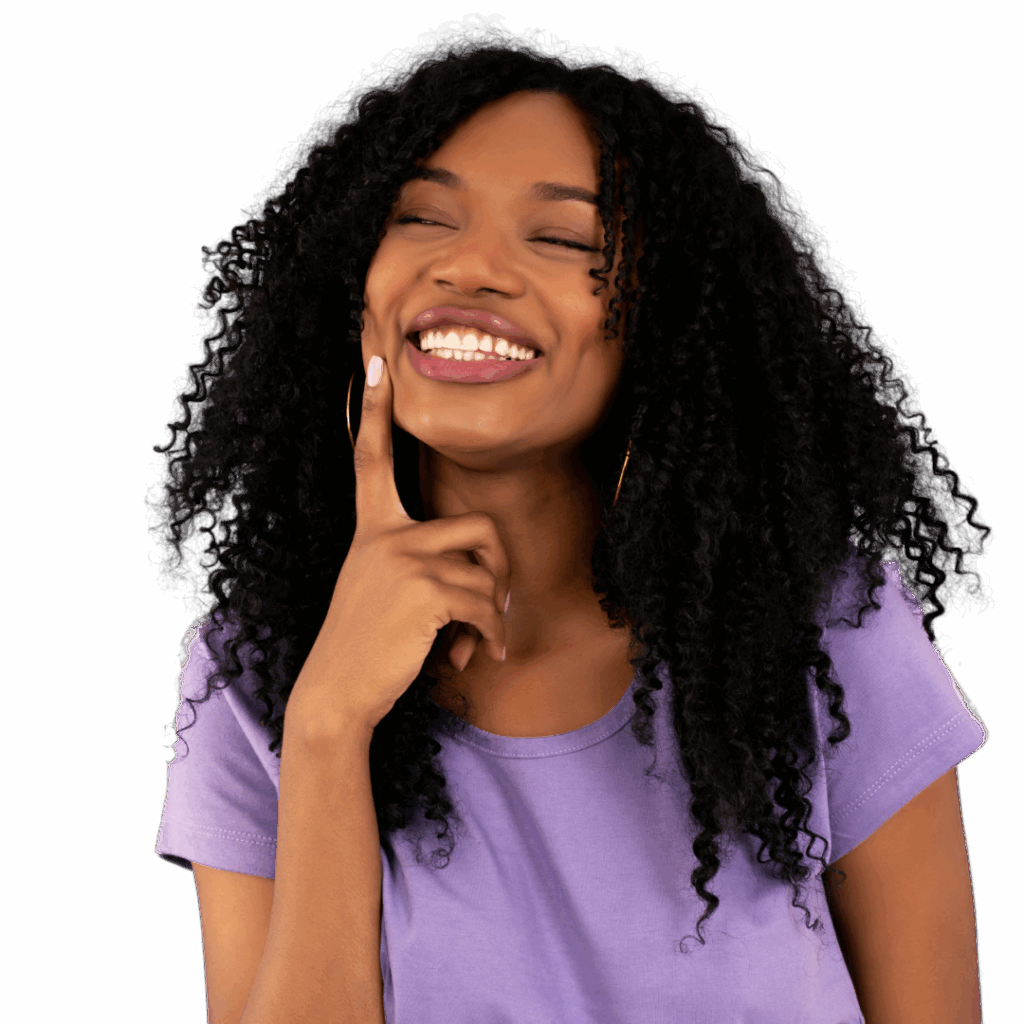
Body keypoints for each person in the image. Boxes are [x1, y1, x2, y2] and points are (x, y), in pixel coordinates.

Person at [151, 32, 986, 1024]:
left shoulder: (825, 631)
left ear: (658, 325)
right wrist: (329, 732)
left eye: (562, 240)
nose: (471, 267)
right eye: (420, 217)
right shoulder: (260, 679)